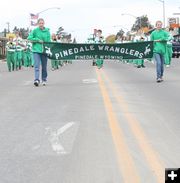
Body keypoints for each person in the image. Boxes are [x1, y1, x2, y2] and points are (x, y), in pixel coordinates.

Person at [27, 18, 51, 86]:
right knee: (36, 66)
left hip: (44, 51)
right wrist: (37, 40)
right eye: (40, 23)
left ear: (44, 24)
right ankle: (37, 80)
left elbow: (49, 41)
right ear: (38, 24)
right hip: (36, 50)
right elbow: (29, 38)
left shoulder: (47, 31)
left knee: (44, 66)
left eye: (42, 23)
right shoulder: (35, 30)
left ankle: (44, 79)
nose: (41, 24)